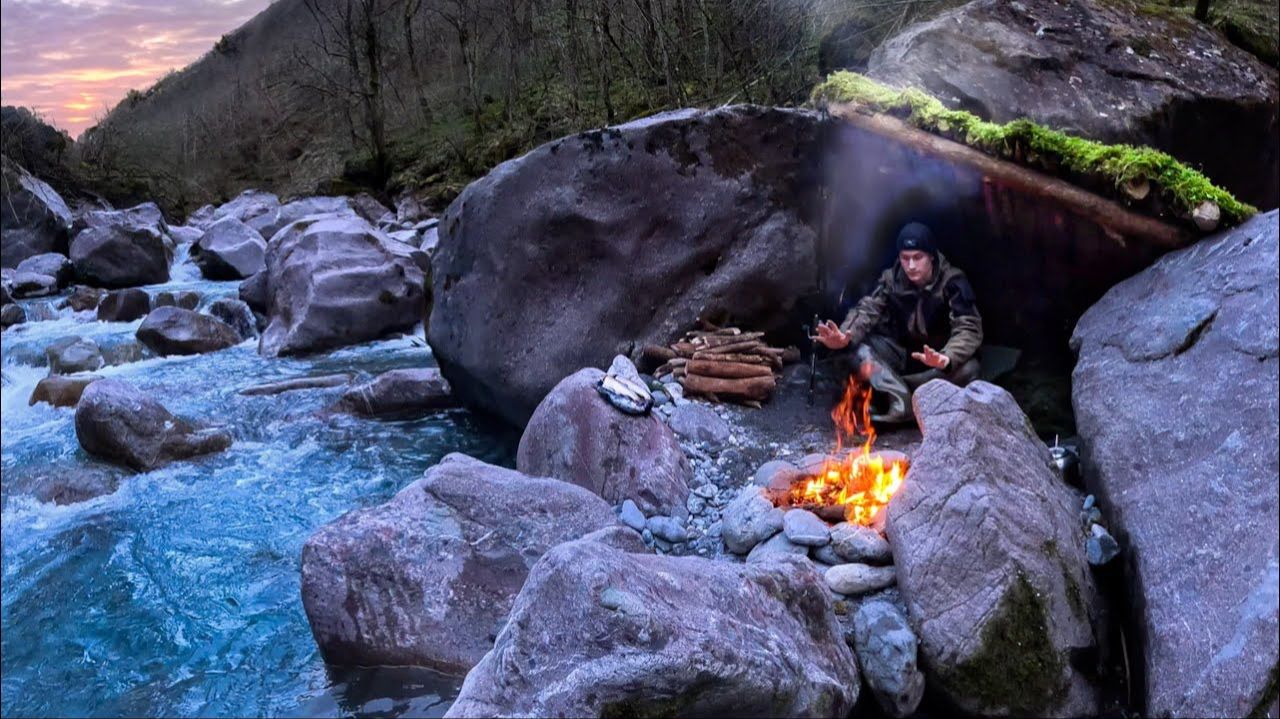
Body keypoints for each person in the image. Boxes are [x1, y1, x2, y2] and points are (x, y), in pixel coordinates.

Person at [813, 221, 983, 423]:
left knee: (970, 369)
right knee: (858, 351)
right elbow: (867, 309)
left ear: (931, 256)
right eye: (905, 258)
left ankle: (898, 397)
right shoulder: (891, 279)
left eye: (917, 258)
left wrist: (947, 358)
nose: (911, 266)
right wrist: (844, 336)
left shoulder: (952, 282)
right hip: (898, 362)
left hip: (936, 366)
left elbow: (968, 328)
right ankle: (901, 400)